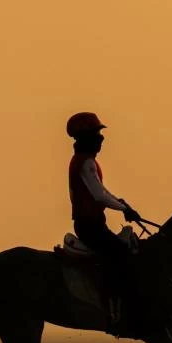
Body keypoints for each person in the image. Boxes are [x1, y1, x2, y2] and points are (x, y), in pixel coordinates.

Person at [66, 112, 146, 330]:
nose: (101, 139)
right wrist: (124, 209)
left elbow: (101, 191)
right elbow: (99, 195)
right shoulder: (86, 163)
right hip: (90, 226)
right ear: (85, 137)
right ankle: (114, 311)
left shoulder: (86, 162)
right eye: (97, 134)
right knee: (121, 256)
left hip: (92, 224)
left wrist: (122, 204)